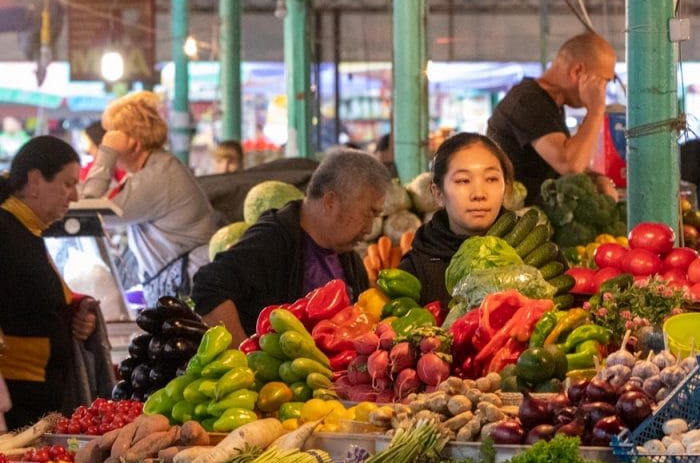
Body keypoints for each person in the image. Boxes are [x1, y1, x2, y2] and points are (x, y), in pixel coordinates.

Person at [192, 148, 392, 345]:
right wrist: (244, 355)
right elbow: (208, 287)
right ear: (330, 201)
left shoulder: (349, 258)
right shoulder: (272, 239)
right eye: (368, 213)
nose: (368, 229)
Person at [81, 91, 219, 304]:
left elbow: (89, 211)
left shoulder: (157, 177)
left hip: (189, 289)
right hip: (183, 283)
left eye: (111, 135)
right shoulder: (156, 169)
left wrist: (107, 153)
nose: (105, 141)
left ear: (134, 142)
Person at [0, 136, 101, 427]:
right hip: (15, 404)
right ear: (34, 181)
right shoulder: (5, 232)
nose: (75, 197)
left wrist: (76, 314)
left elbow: (33, 299)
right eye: (68, 184)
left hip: (35, 399)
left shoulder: (28, 232)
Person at [487, 32, 617, 206]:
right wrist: (596, 109)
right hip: (517, 224)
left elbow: (565, 162)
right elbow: (571, 165)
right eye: (603, 81)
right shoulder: (528, 101)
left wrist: (597, 177)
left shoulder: (550, 104)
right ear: (577, 71)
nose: (603, 90)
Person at [399, 132, 513, 307]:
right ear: (438, 193)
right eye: (463, 181)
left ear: (505, 187)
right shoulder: (415, 269)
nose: (479, 194)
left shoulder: (536, 252)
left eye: (491, 179)